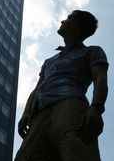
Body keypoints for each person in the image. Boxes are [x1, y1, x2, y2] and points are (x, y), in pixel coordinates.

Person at [15, 10, 108, 161]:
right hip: (38, 115)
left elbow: (100, 78)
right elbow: (37, 88)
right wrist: (26, 112)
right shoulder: (49, 61)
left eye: (68, 18)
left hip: (69, 107)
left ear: (76, 25)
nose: (62, 21)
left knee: (76, 153)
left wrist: (96, 107)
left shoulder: (92, 51)